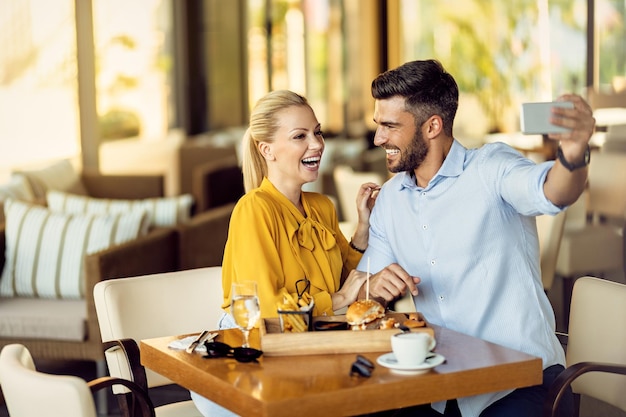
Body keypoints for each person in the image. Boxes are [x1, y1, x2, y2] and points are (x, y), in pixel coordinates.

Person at [359, 59, 594, 417]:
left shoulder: (490, 167)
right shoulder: (391, 200)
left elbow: (553, 191)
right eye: (379, 125)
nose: (379, 139)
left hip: (524, 384)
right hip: (443, 386)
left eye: (390, 126)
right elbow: (362, 289)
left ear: (432, 126)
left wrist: (573, 155)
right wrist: (373, 285)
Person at [191, 89, 380, 417]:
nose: (318, 144)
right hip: (247, 352)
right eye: (300, 136)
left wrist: (363, 227)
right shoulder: (253, 209)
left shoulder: (322, 206)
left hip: (307, 343)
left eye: (318, 132)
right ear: (267, 149)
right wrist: (337, 301)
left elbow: (345, 278)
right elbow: (262, 306)